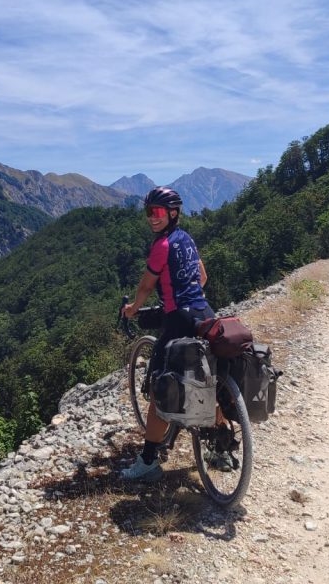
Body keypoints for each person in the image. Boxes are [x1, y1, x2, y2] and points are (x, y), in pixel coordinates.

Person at [120, 186, 215, 481]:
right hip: (205, 312)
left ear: (173, 213)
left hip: (179, 320)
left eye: (158, 212)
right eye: (149, 212)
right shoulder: (187, 239)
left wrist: (133, 309)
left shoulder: (161, 245)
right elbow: (202, 277)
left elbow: (146, 286)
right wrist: (188, 295)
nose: (152, 217)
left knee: (160, 388)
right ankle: (222, 447)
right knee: (212, 377)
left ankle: (149, 461)